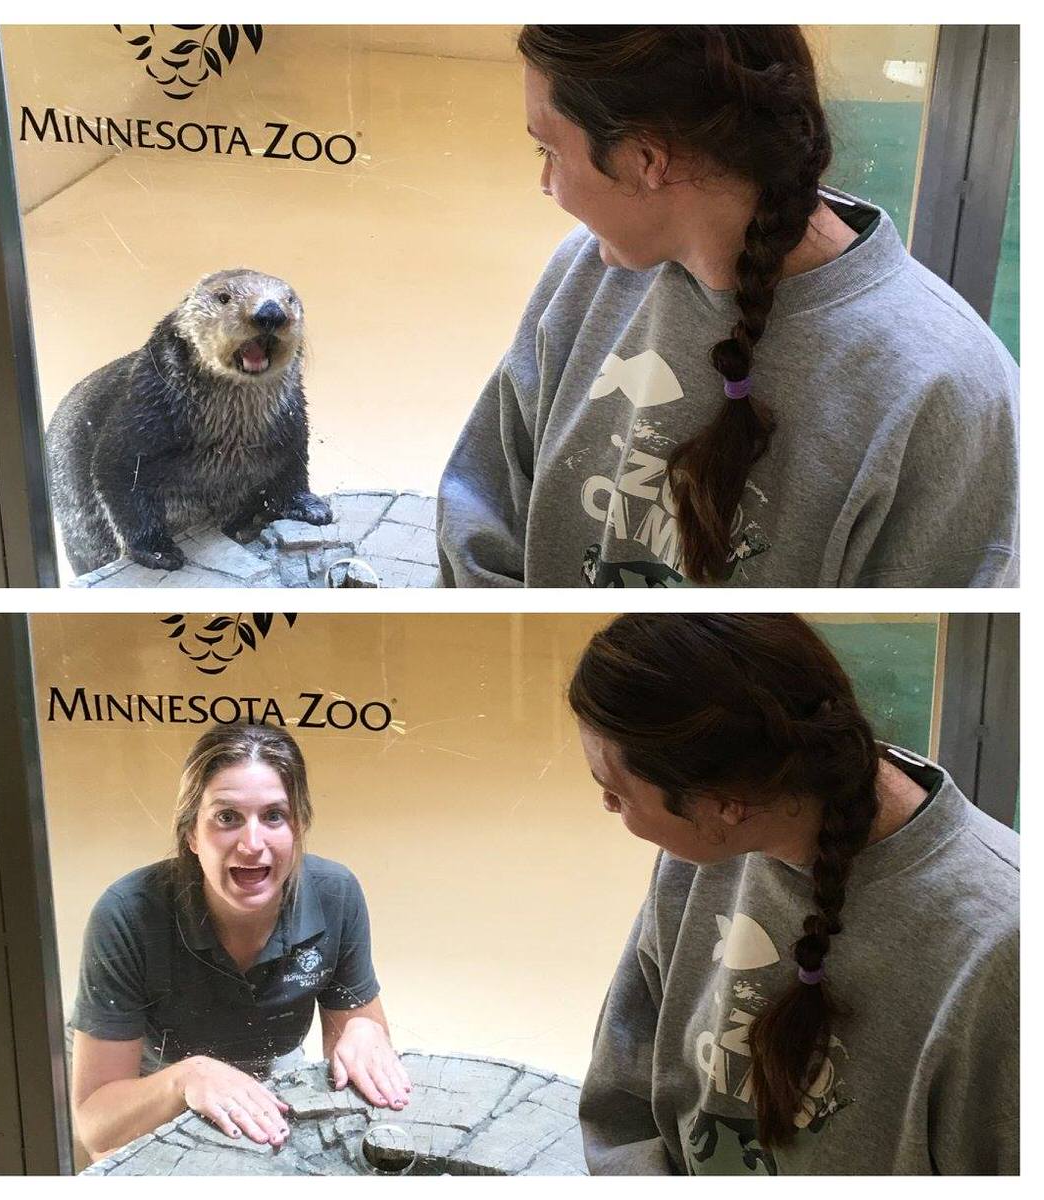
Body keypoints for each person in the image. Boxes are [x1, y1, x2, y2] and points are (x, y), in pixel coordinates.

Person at [437, 27, 1019, 587]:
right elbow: (483, 516)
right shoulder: (587, 272)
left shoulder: (951, 395)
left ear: (647, 158)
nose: (546, 183)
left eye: (549, 150)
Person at [567, 614, 1018, 1174]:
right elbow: (623, 1100)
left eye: (614, 792)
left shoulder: (1005, 950)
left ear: (725, 804)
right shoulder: (707, 851)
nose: (609, 809)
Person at [70, 724, 411, 1161]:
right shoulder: (128, 913)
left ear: (299, 828)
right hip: (155, 1081)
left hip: (274, 1071)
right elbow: (97, 1128)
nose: (252, 844)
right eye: (227, 817)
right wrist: (185, 1078)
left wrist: (365, 1032)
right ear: (192, 834)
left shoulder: (334, 893)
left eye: (274, 816)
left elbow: (360, 1059)